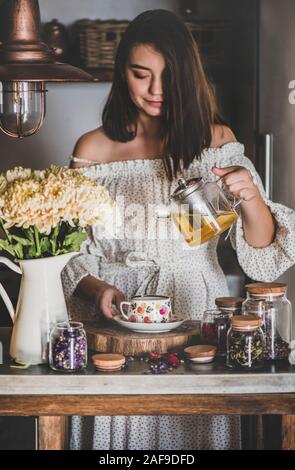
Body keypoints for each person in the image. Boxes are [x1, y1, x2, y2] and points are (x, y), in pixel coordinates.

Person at [62, 9, 295, 450]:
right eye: (140, 74)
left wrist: (250, 198)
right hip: (118, 319)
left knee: (191, 429)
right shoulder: (92, 148)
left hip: (193, 308)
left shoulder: (215, 142)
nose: (155, 91)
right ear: (121, 73)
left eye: (168, 76)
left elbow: (263, 252)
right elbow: (71, 249)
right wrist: (96, 290)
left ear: (189, 76)